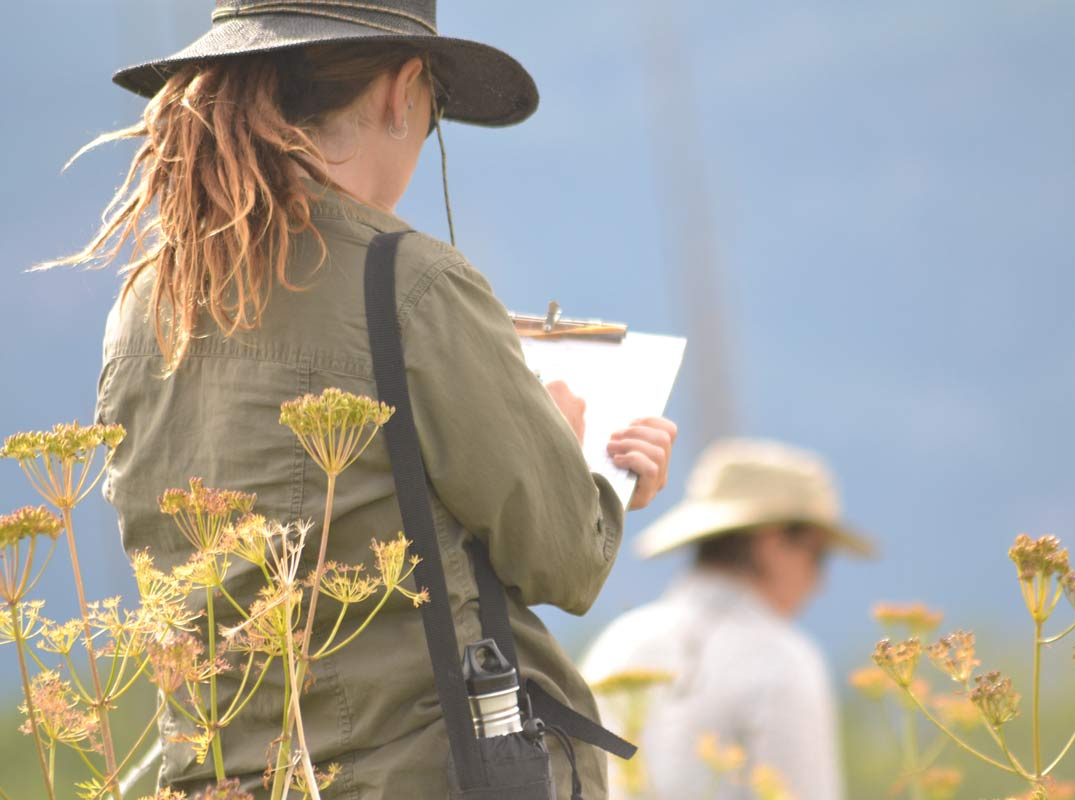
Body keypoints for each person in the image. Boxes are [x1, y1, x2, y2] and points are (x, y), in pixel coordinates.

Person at [68, 2, 677, 796]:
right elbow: (565, 561)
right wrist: (581, 462)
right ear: (401, 90)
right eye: (434, 107)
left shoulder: (148, 300)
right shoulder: (412, 283)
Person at [581, 439, 875, 800]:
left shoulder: (620, 641)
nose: (820, 582)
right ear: (772, 543)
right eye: (818, 556)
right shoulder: (782, 660)